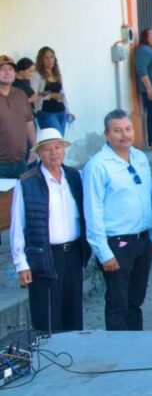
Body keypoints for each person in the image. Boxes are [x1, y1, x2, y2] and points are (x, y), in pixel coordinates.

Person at [83, 109, 152, 330]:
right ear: (107, 134)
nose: (124, 135)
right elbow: (93, 211)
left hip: (142, 241)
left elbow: (150, 199)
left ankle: (135, 344)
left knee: (136, 301)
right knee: (118, 303)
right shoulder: (97, 165)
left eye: (128, 129)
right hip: (117, 244)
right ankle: (118, 347)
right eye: (117, 130)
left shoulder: (140, 157)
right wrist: (104, 252)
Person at [9, 128, 90, 333]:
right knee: (47, 318)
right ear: (38, 153)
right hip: (43, 256)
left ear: (64, 149)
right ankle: (49, 353)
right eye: (47, 149)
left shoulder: (74, 176)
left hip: (73, 254)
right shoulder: (27, 182)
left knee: (73, 314)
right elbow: (18, 226)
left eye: (58, 147)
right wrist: (21, 264)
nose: (54, 153)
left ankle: (73, 352)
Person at [0, 55, 35, 178]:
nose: (7, 72)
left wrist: (34, 147)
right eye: (2, 69)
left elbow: (29, 122)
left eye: (10, 69)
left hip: (21, 162)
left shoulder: (21, 95)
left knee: (21, 191)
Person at [31, 47, 71, 135]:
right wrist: (51, 96)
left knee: (60, 139)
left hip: (61, 111)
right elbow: (33, 97)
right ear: (41, 60)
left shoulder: (56, 73)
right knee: (54, 138)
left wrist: (68, 111)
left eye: (51, 57)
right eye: (46, 57)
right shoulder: (37, 75)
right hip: (47, 113)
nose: (50, 60)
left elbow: (62, 94)